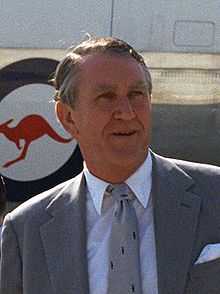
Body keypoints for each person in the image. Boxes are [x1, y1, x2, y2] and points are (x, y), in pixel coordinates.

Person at [1, 37, 220, 294]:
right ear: (68, 117)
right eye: (107, 97)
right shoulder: (26, 230)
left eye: (136, 94)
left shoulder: (214, 194)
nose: (127, 112)